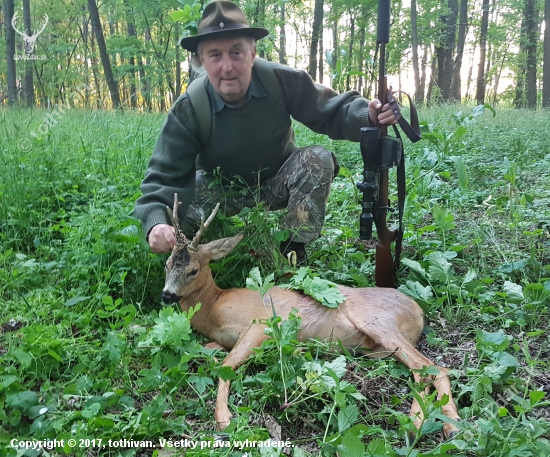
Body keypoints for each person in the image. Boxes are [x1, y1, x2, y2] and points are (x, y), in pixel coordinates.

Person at [134, 0, 397, 262]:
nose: (227, 67)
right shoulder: (190, 107)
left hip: (275, 183)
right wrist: (156, 224)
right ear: (201, 60)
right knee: (178, 212)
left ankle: (293, 248)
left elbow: (331, 109)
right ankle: (195, 258)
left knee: (318, 159)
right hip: (219, 192)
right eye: (215, 55)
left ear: (252, 53)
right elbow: (162, 177)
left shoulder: (280, 81)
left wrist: (369, 114)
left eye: (236, 52)